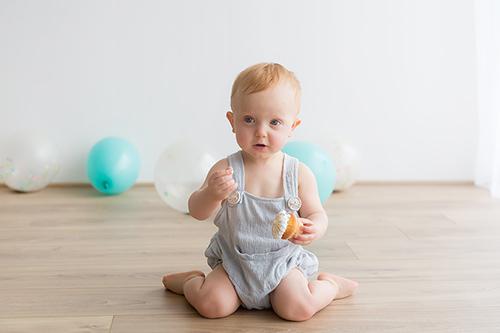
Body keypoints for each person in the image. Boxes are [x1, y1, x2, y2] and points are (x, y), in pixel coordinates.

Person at [162, 63, 358, 321]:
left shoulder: (298, 174)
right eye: (249, 120)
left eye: (275, 122)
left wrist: (314, 227)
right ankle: (191, 281)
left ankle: (330, 286)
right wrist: (211, 193)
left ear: (293, 126)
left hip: (282, 265)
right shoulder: (226, 170)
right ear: (232, 121)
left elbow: (316, 213)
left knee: (298, 309)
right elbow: (197, 211)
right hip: (235, 264)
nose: (261, 132)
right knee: (212, 306)